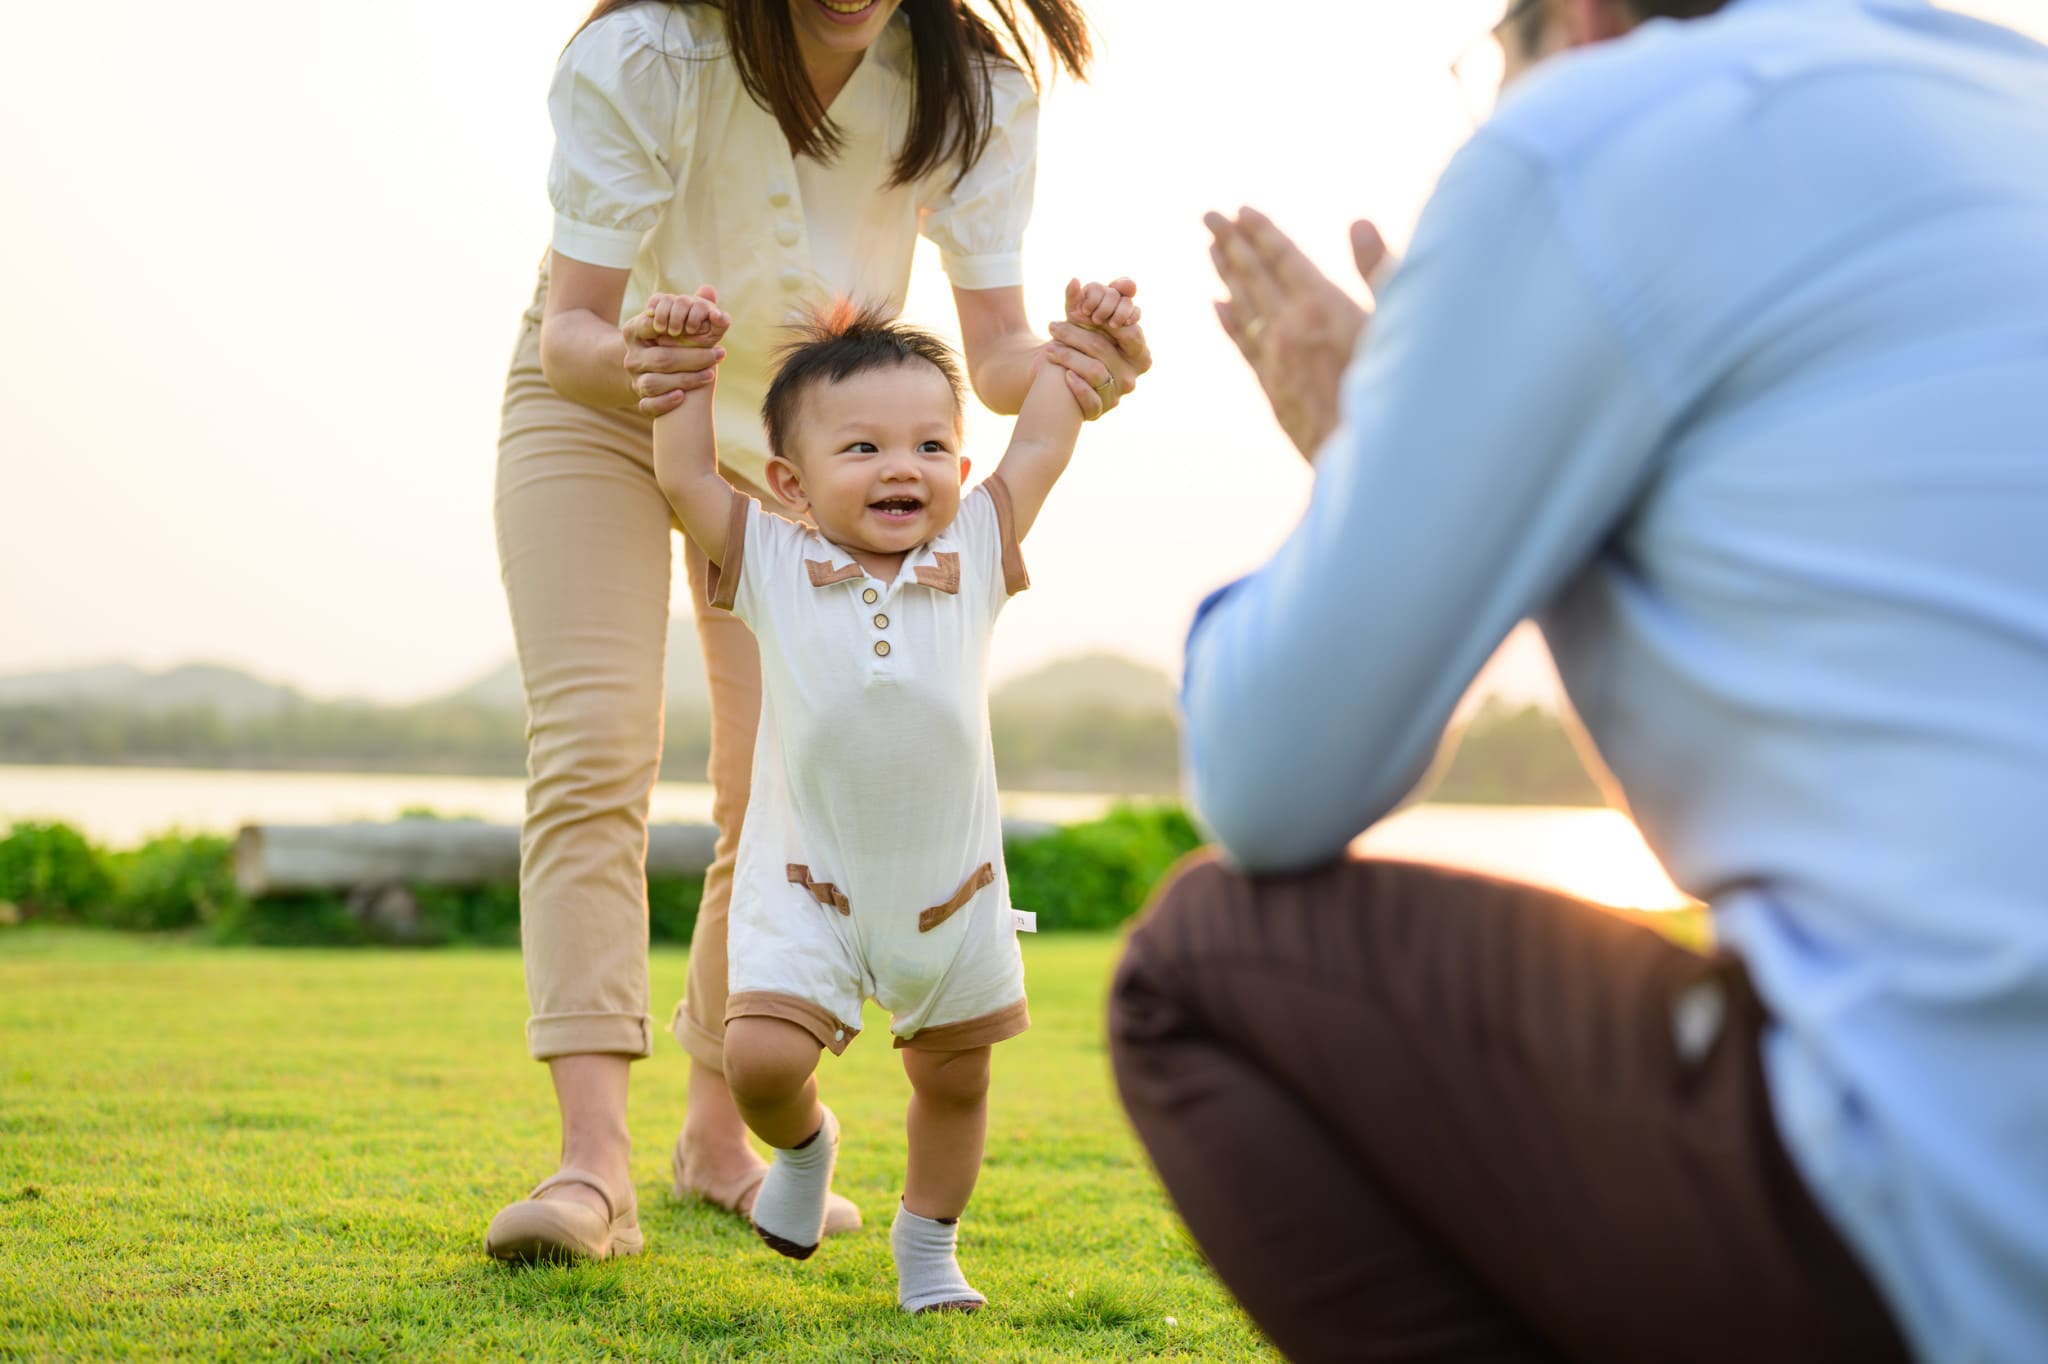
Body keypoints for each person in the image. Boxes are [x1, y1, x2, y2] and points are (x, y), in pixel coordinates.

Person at [1107, 0, 2048, 1360]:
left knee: (1197, 964)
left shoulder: (1584, 136)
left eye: (1489, 57)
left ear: (1579, 22)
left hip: (1964, 1203)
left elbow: (1271, 782)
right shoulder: (2005, 93)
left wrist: (1367, 461)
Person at [486, 0, 1150, 1263]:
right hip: (607, 393)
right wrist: (651, 353)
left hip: (813, 455)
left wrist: (1079, 364)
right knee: (594, 742)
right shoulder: (645, 54)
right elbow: (576, 320)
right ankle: (589, 1166)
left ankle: (717, 1136)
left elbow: (999, 353)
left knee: (767, 782)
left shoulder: (970, 89)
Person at [633, 280, 1134, 1310]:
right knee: (759, 1060)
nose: (901, 466)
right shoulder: (773, 557)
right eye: (860, 448)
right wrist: (683, 371)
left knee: (955, 1080)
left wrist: (1080, 345)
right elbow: (685, 477)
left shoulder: (974, 550)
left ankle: (927, 1244)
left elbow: (1035, 449)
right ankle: (807, 1149)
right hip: (808, 886)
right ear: (792, 482)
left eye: (929, 446)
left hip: (948, 892)